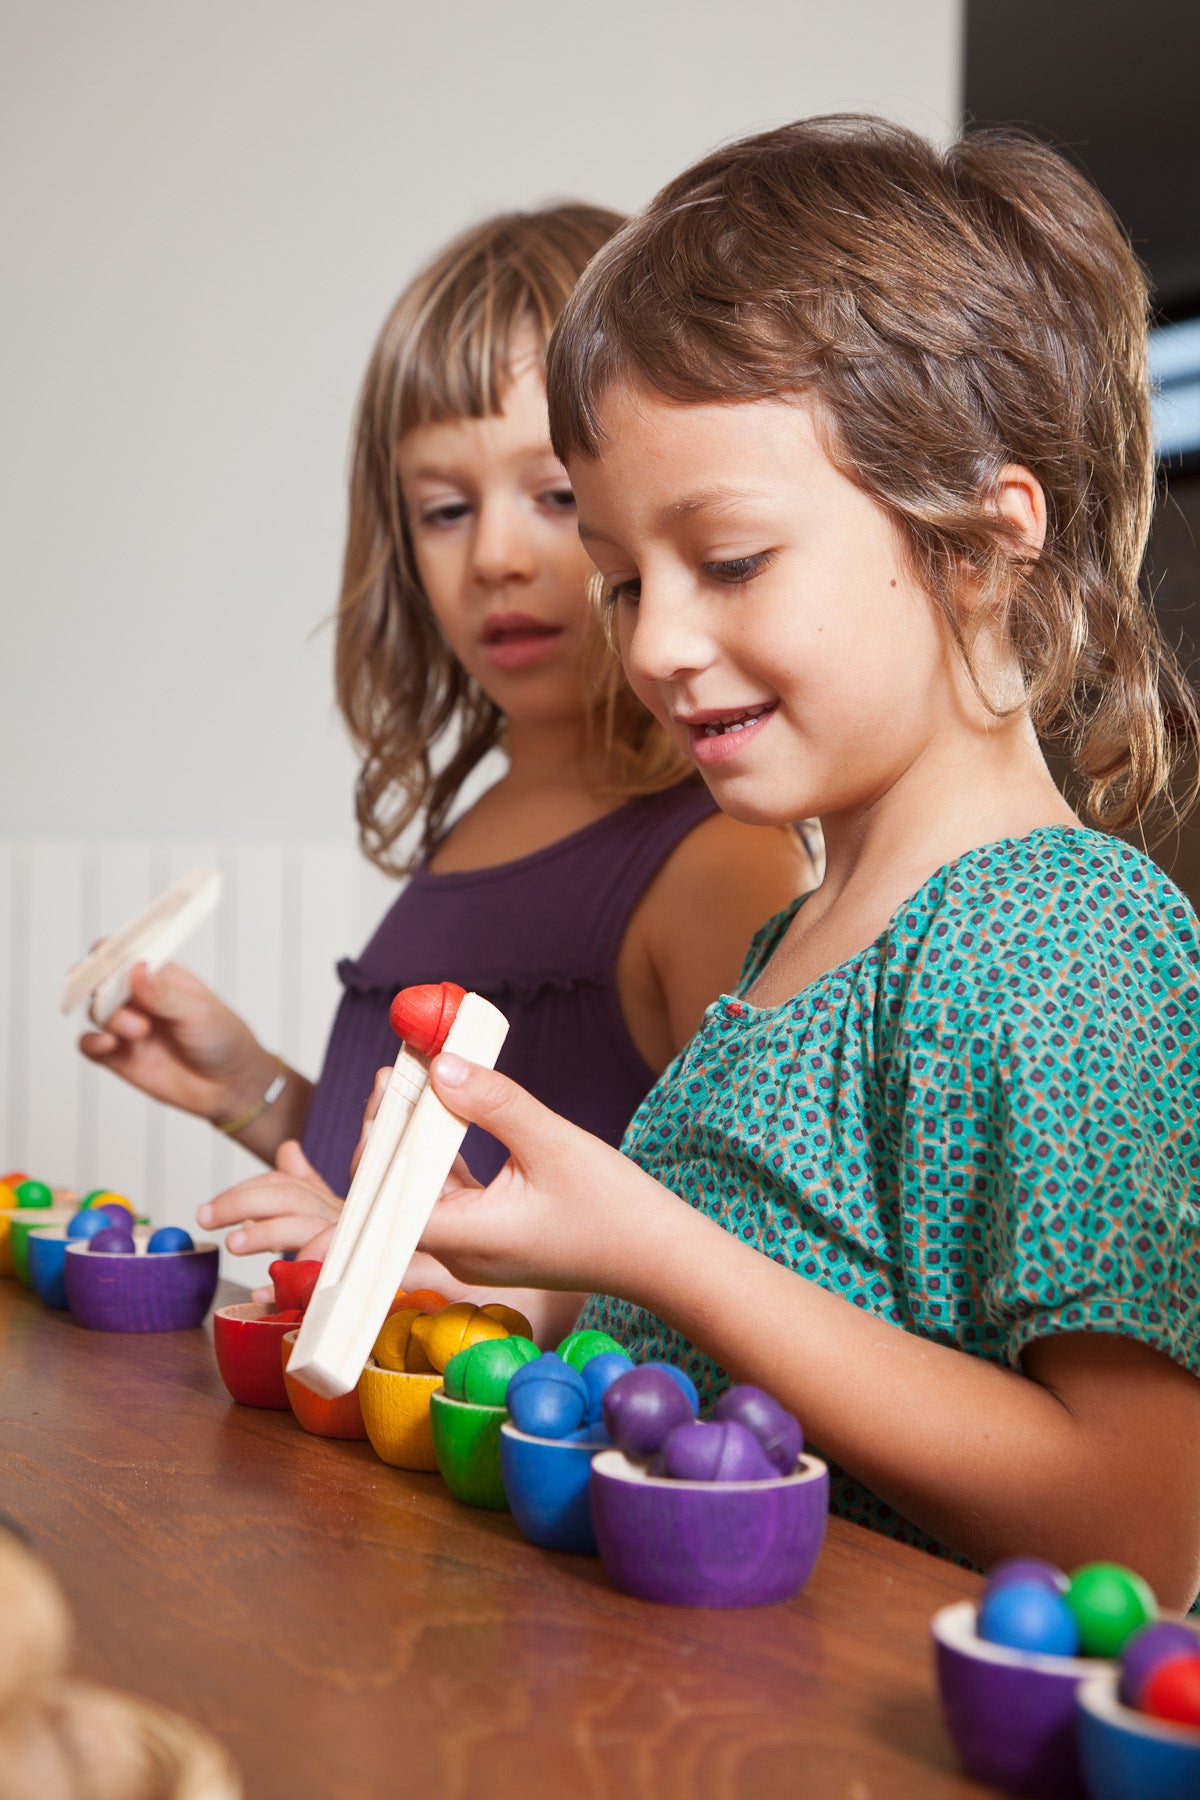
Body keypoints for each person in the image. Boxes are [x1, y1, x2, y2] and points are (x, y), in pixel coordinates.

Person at [411, 120, 1200, 1610]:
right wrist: (476, 1264)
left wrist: (656, 1247)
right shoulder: (807, 930)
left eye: (729, 561)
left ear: (977, 543)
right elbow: (733, 1341)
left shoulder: (1066, 938)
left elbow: (1137, 1524)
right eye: (628, 581)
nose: (651, 647)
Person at [79, 205, 811, 1331]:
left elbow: (750, 1290)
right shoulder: (482, 823)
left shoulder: (717, 861)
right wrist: (251, 1090)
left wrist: (457, 1290)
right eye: (445, 509)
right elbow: (437, 1183)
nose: (499, 558)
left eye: (556, 497)